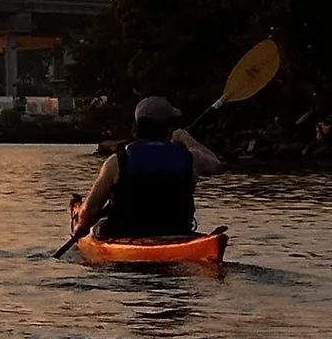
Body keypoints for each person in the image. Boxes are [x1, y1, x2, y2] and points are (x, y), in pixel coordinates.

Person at [72, 95, 224, 240]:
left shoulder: (117, 162)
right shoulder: (191, 158)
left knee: (98, 227)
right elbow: (216, 165)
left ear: (137, 127)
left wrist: (80, 228)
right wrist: (186, 138)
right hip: (178, 232)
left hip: (125, 234)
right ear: (169, 127)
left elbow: (90, 211)